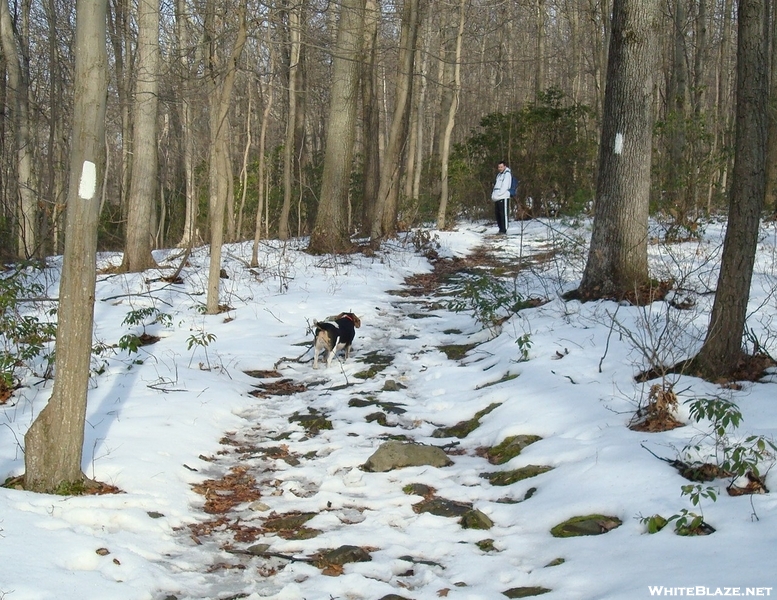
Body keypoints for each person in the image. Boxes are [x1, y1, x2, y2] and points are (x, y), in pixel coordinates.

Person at [491, 160, 512, 234]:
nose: (500, 168)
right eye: (499, 167)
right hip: (497, 197)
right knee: (498, 215)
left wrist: (499, 193)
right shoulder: (499, 175)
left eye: (501, 167)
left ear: (505, 166)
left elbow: (505, 186)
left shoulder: (507, 174)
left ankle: (504, 230)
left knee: (503, 214)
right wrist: (494, 195)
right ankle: (500, 229)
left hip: (503, 197)